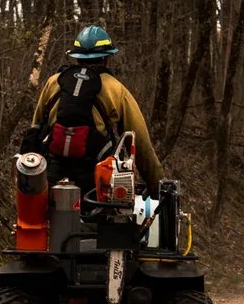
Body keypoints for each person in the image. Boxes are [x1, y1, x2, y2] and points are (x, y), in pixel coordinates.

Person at [21, 25, 164, 196]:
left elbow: (36, 126)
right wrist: (157, 186)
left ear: (76, 57)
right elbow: (140, 143)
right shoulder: (116, 89)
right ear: (106, 58)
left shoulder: (54, 82)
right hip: (97, 177)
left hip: (52, 172)